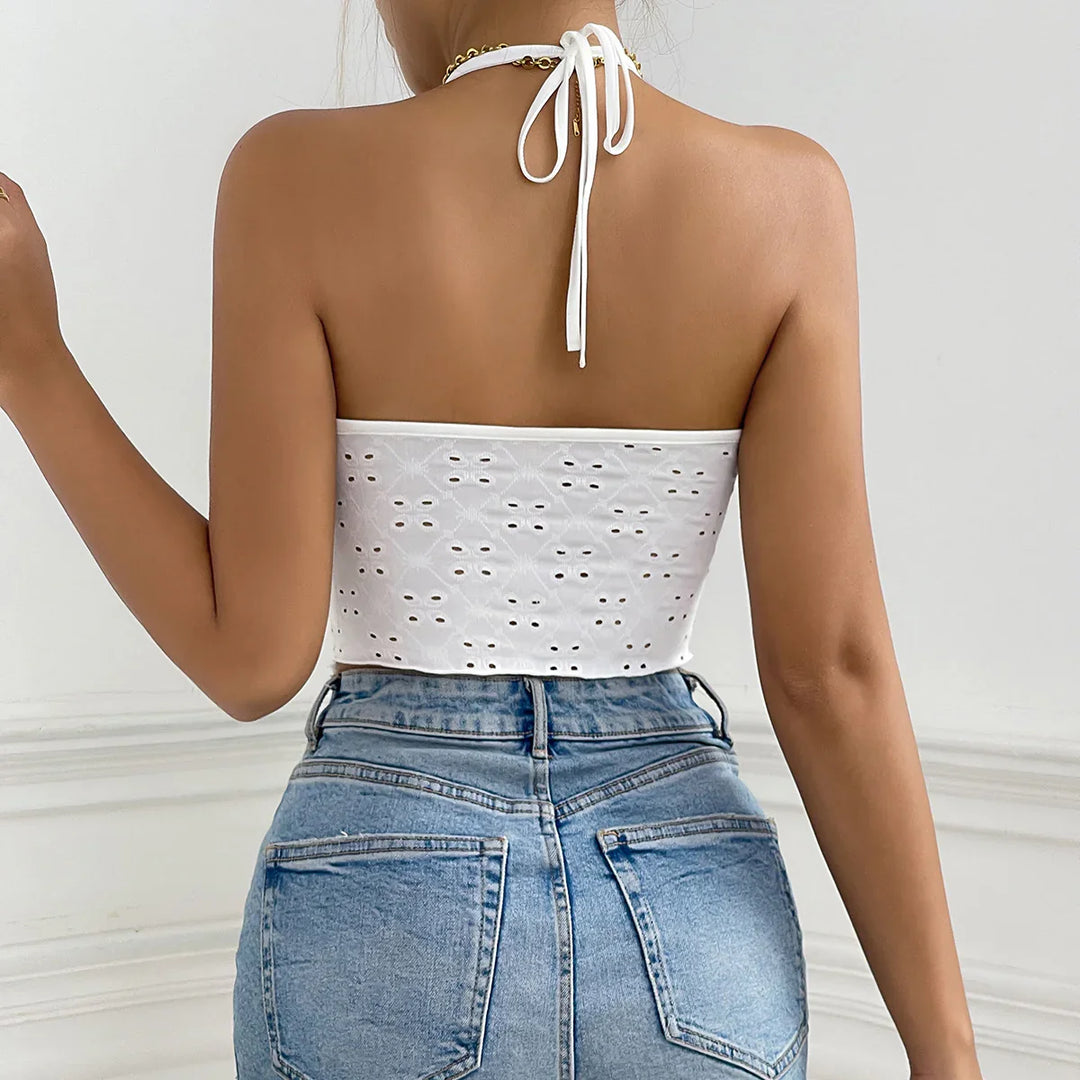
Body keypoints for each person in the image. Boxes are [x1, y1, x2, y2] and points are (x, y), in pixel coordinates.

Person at [0, 1, 984, 1078]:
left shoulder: (295, 177)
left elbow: (250, 657)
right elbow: (827, 671)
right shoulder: (788, 199)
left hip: (380, 896)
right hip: (691, 908)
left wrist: (30, 365)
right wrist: (947, 1054)